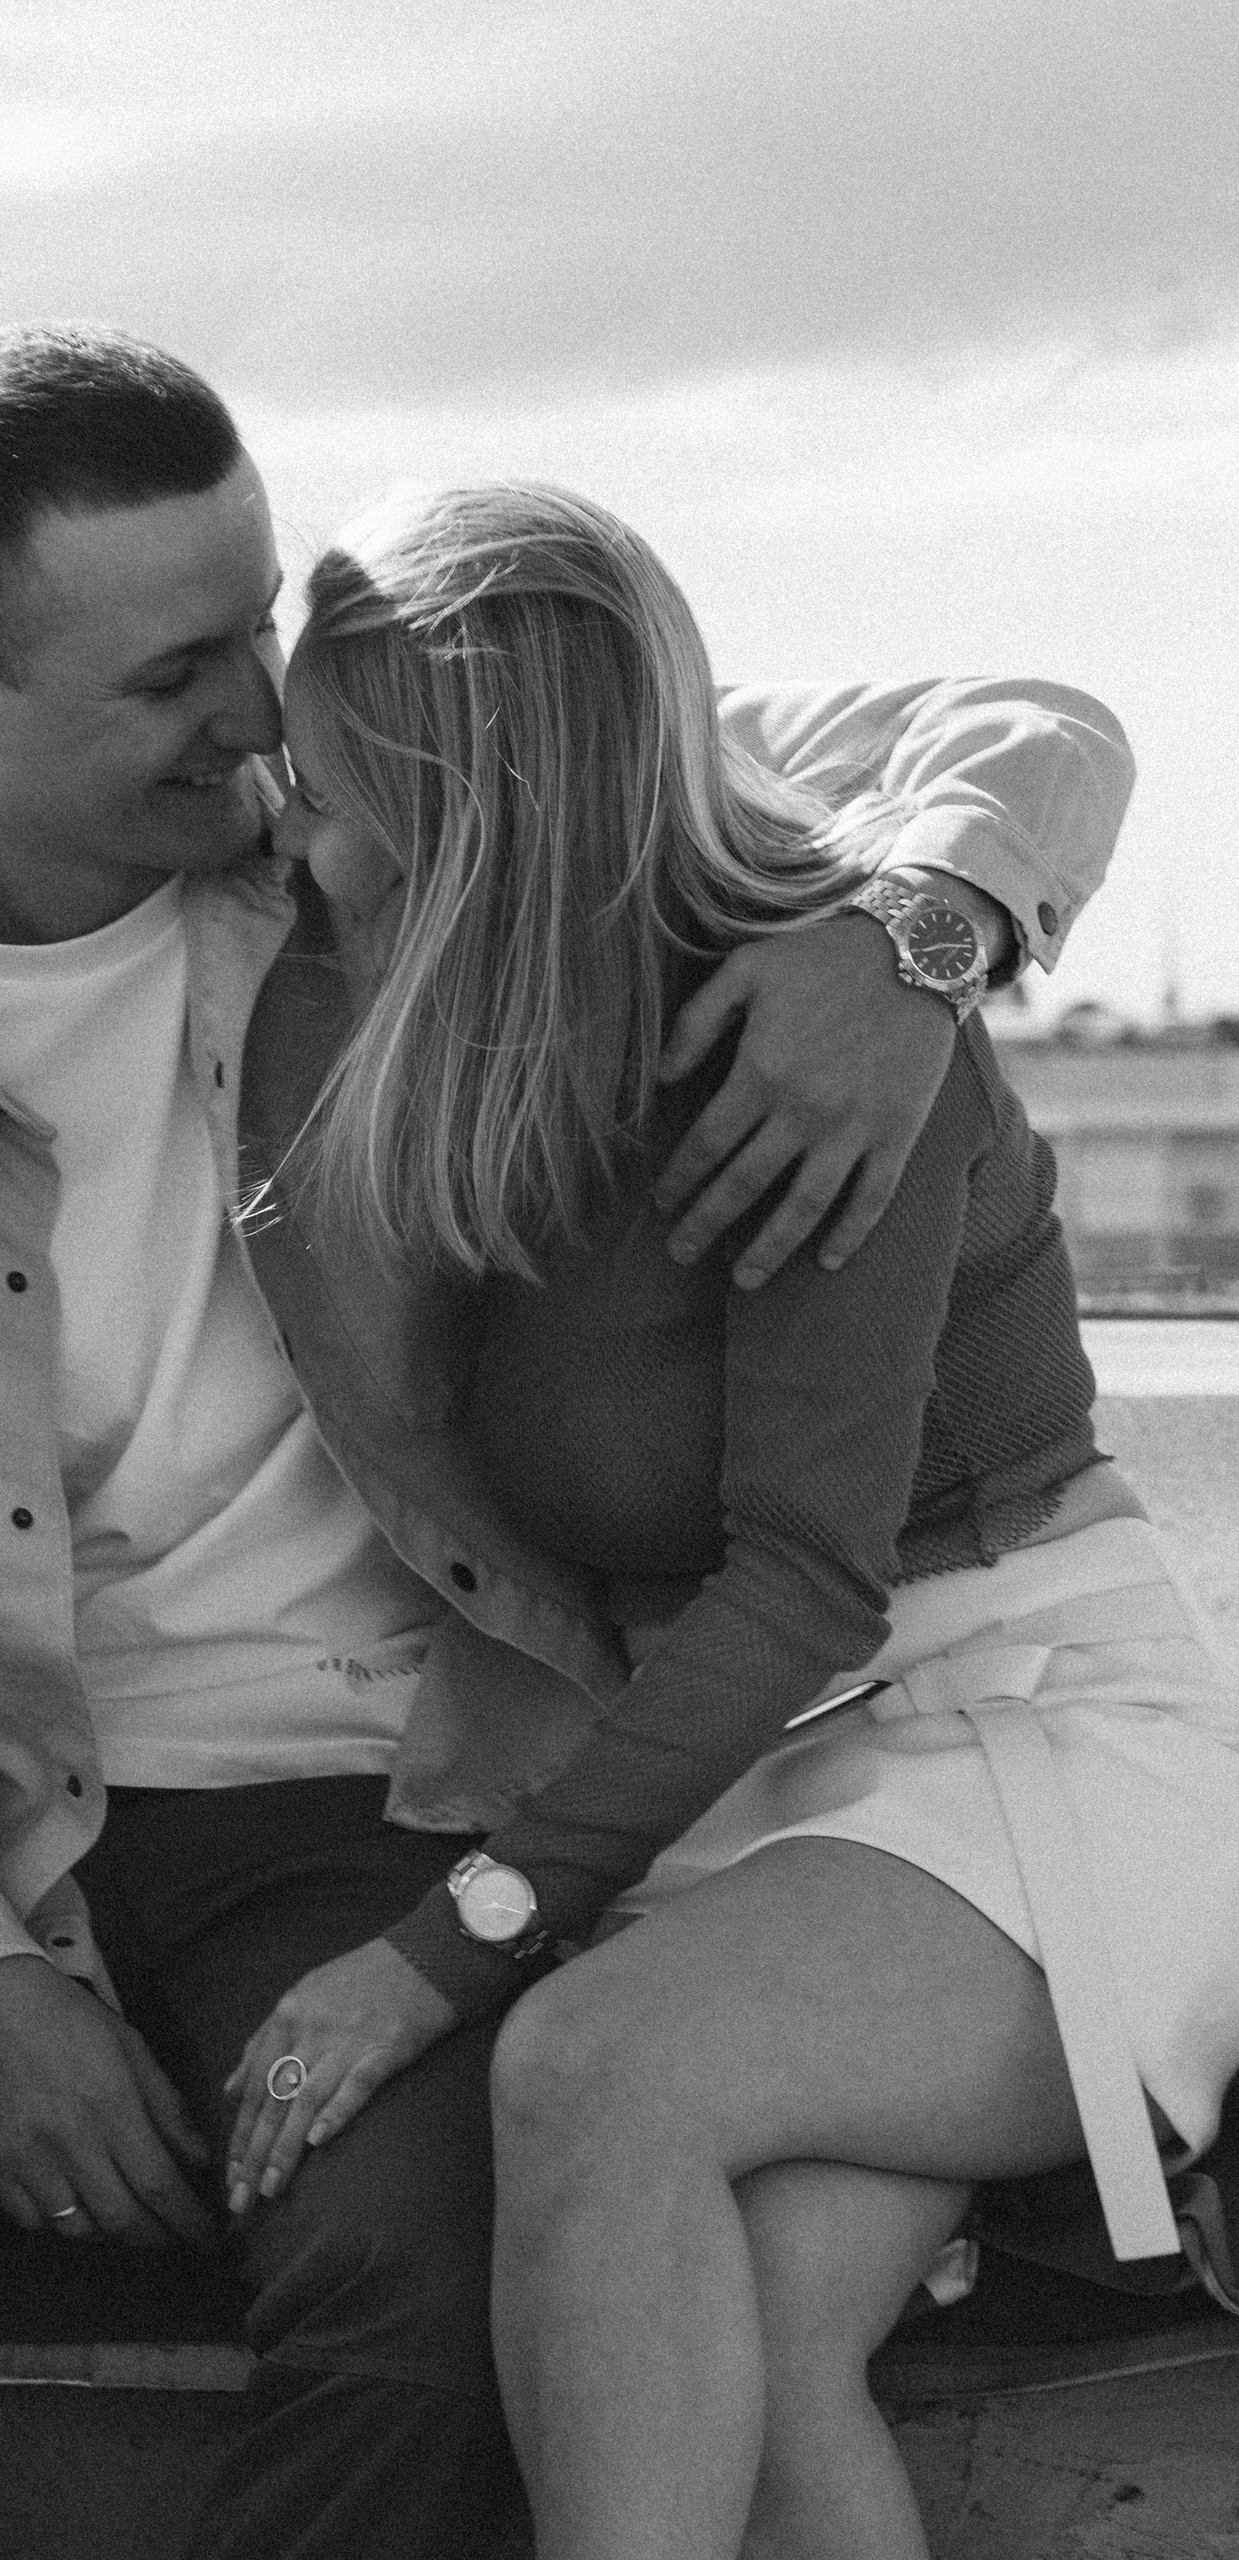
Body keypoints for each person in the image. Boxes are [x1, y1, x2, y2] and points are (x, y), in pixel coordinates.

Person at [0, 327, 1135, 2560]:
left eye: (255, 621)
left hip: (375, 1804)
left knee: (442, 2307)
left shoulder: (406, 835)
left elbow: (1011, 733)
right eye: (174, 674)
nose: (261, 711)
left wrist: (913, 934)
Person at [232, 480, 1237, 2560]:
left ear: (471, 833)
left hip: (1027, 1745)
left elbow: (802, 1575)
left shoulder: (812, 1023)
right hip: (763, 1778)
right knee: (754, 2352)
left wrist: (437, 1952)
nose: (288, 837)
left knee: (586, 2071)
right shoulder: (480, 1014)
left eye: (327, 796)